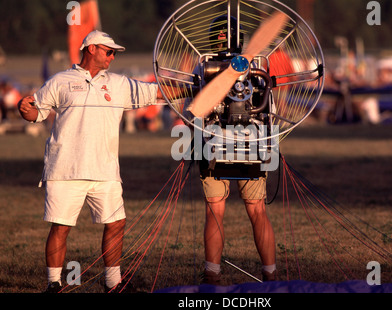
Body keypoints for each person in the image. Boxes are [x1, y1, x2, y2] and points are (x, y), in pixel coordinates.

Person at [18, 30, 172, 293]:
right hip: (65, 168)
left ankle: (113, 283)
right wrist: (25, 111)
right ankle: (53, 284)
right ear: (91, 49)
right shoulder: (60, 81)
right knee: (61, 226)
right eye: (108, 51)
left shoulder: (118, 83)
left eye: (114, 53)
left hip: (106, 170)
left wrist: (202, 86)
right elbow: (36, 114)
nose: (112, 57)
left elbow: (158, 92)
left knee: (116, 223)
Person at [200, 16, 277, 285]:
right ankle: (270, 274)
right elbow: (270, 111)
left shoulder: (205, 68)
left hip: (213, 143)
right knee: (257, 210)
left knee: (215, 209)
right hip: (252, 143)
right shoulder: (256, 68)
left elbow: (196, 110)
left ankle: (212, 274)